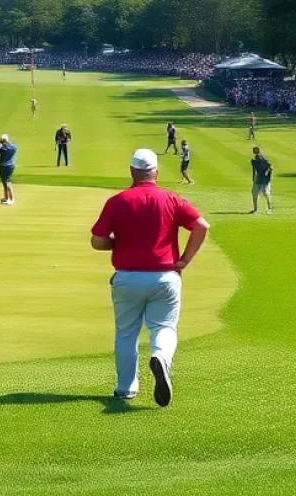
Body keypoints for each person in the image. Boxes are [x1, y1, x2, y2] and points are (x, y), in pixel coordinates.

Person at [90, 148, 210, 406]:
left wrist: (118, 243)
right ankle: (160, 357)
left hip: (127, 277)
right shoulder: (172, 198)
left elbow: (97, 241)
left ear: (132, 171)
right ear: (156, 172)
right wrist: (185, 260)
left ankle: (126, 388)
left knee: (126, 333)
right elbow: (201, 225)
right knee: (164, 327)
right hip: (165, 276)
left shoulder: (117, 201)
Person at [0, 134, 17, 204]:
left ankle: (12, 199)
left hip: (5, 166)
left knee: (7, 182)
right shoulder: (13, 146)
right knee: (4, 182)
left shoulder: (3, 147)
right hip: (10, 166)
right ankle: (6, 198)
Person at [250, 147, 273, 213]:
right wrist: (254, 178)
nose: (254, 152)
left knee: (266, 193)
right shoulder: (254, 159)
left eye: (255, 150)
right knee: (254, 194)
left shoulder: (262, 159)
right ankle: (255, 209)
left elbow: (270, 167)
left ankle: (269, 209)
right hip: (257, 180)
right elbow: (255, 170)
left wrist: (266, 173)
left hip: (265, 181)